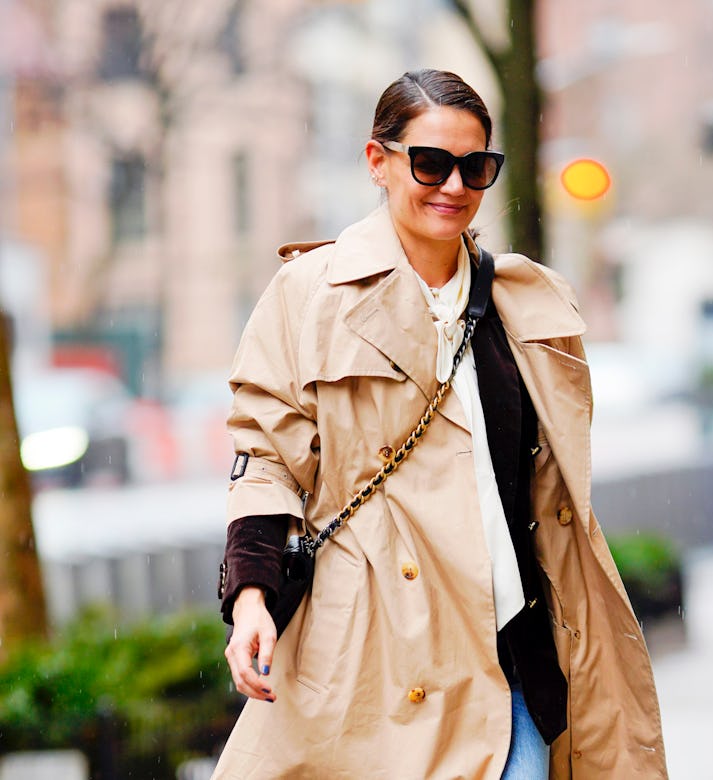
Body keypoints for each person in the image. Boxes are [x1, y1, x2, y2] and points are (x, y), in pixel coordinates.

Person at [213, 69, 667, 779]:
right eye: (429, 163)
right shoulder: (310, 295)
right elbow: (266, 459)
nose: (453, 186)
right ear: (378, 162)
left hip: (510, 649)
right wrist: (251, 600)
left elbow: (543, 496)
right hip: (376, 651)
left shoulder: (526, 304)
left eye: (476, 167)